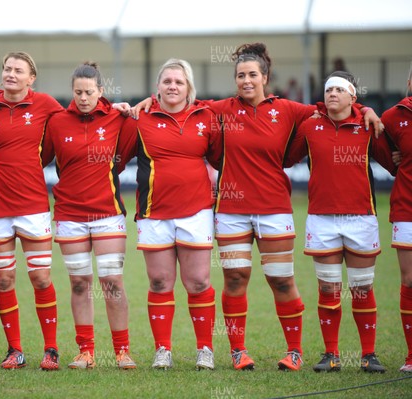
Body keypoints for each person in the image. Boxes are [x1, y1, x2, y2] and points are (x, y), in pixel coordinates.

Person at [132, 43, 382, 372]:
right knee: (235, 279)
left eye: (252, 74)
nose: (246, 80)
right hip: (232, 212)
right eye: (240, 75)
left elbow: (333, 107)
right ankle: (238, 352)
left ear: (265, 77)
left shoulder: (290, 110)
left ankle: (294, 351)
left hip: (274, 208)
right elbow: (180, 102)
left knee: (281, 280)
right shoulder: (218, 109)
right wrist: (148, 100)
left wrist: (366, 109)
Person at [287, 71, 396, 373]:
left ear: (353, 97)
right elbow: (288, 158)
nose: (332, 93)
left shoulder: (366, 125)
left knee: (362, 288)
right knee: (328, 289)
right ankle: (330, 354)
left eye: (339, 89)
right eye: (328, 89)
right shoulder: (309, 127)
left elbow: (392, 162)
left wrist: (369, 114)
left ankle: (369, 355)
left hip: (361, 218)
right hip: (322, 220)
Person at [0, 51, 63, 370]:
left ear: (30, 78)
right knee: (5, 279)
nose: (10, 74)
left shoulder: (47, 105)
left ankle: (51, 349)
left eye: (18, 70)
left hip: (33, 204)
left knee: (40, 277)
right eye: (6, 68)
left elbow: (63, 134)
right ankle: (15, 350)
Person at [121, 58, 217, 370]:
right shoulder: (139, 117)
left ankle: (205, 349)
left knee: (199, 281)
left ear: (189, 87)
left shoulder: (207, 115)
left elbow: (220, 155)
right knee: (160, 281)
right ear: (157, 88)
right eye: (167, 81)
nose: (173, 86)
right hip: (154, 213)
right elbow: (114, 150)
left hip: (196, 210)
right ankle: (163, 350)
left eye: (179, 81)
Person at [41, 62, 136, 369]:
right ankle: (86, 351)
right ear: (72, 91)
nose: (83, 97)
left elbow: (126, 153)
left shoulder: (118, 119)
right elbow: (38, 158)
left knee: (112, 282)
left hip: (108, 212)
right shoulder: (56, 122)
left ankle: (122, 352)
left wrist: (128, 109)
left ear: (101, 91)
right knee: (80, 283)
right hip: (69, 215)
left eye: (89, 92)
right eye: (78, 92)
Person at [381, 63, 412, 373]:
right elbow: (379, 146)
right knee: (410, 281)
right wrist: (395, 159)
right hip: (407, 207)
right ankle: (411, 356)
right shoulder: (393, 117)